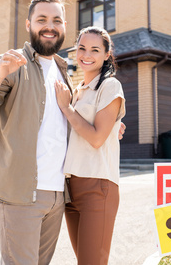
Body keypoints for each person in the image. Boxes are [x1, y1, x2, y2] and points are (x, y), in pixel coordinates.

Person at [0, 0, 72, 265]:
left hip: (57, 193)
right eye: (42, 19)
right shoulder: (12, 63)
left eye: (57, 20)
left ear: (64, 25)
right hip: (19, 193)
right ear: (29, 25)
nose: (50, 26)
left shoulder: (64, 70)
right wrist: (0, 72)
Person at [54, 26, 126, 265]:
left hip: (98, 187)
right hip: (70, 188)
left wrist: (67, 109)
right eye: (82, 48)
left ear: (107, 54)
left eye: (95, 50)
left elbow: (96, 138)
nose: (86, 54)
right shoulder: (77, 92)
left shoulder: (110, 86)